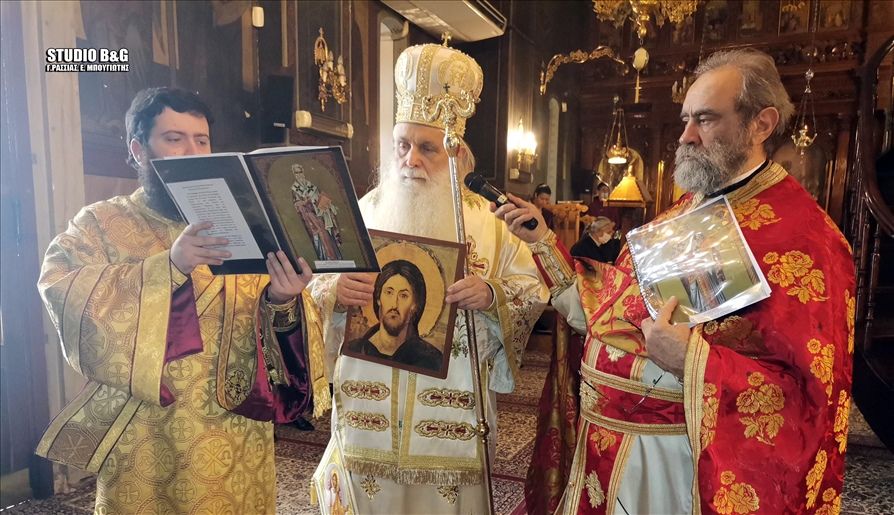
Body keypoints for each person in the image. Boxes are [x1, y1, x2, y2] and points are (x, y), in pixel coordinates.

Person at [495, 48, 854, 514]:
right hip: (602, 442)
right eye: (686, 119)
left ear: (761, 124)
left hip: (674, 465)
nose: (686, 136)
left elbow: (808, 397)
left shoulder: (808, 241)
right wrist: (543, 239)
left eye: (705, 119)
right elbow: (612, 308)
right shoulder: (685, 210)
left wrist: (692, 360)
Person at [35, 87, 329, 513]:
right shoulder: (101, 223)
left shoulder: (245, 225)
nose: (193, 152)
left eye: (202, 140)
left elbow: (272, 326)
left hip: (234, 430)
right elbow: (61, 287)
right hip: (147, 433)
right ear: (139, 150)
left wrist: (282, 298)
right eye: (174, 139)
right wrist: (168, 267)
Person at [309, 43, 548, 514]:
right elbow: (314, 284)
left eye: (426, 148)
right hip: (366, 415)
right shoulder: (364, 211)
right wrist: (334, 290)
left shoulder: (492, 221)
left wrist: (492, 294)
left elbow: (532, 291)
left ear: (455, 152)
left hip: (451, 418)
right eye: (402, 145)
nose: (410, 160)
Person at [345, 259, 442, 372]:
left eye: (403, 296)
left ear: (415, 305)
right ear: (378, 298)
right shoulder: (355, 349)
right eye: (389, 292)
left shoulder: (430, 360)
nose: (394, 305)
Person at [292, 163, 343, 261]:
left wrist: (325, 205)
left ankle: (335, 257)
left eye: (300, 172)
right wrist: (304, 202)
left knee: (327, 235)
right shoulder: (295, 189)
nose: (299, 175)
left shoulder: (311, 186)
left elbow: (319, 198)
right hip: (309, 218)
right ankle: (325, 258)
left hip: (320, 215)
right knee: (319, 237)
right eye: (296, 173)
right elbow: (297, 204)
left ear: (303, 172)